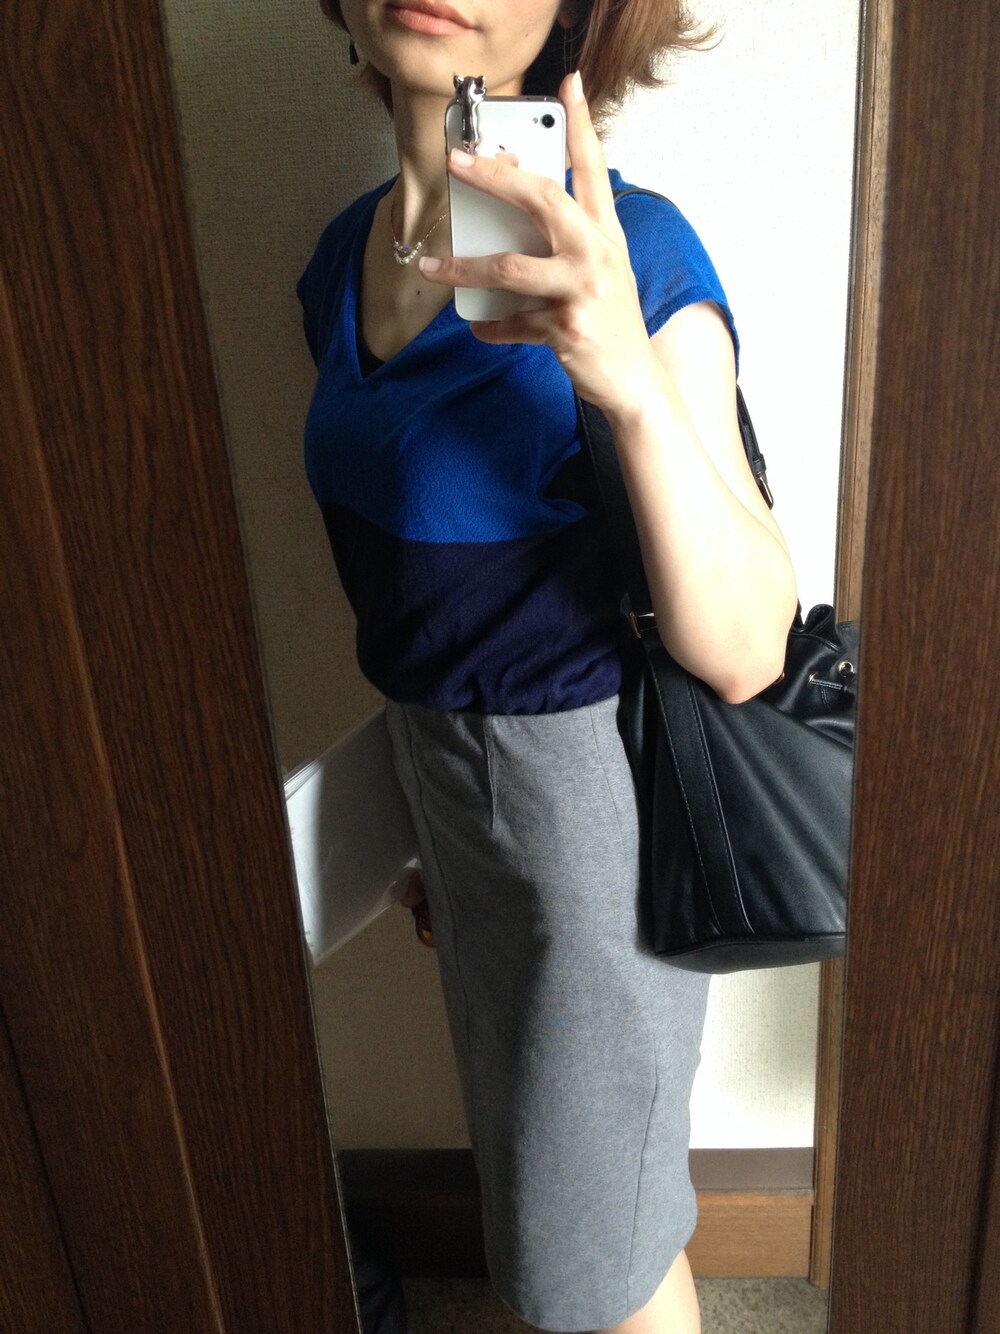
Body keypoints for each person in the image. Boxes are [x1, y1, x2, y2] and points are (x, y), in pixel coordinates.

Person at [296, 3, 798, 1331]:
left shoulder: (636, 249)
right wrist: (436, 818)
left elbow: (751, 643)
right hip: (451, 788)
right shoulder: (341, 260)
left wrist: (622, 373)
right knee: (556, 1186)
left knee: (591, 1257)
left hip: (593, 819)